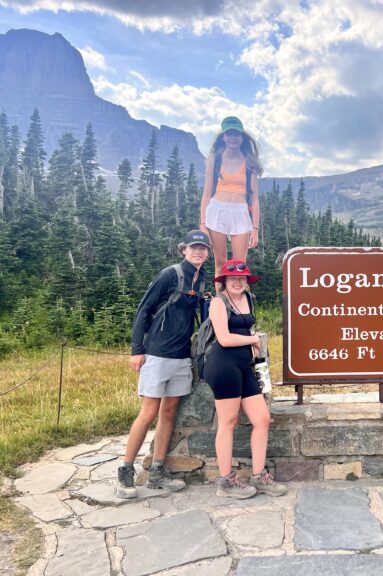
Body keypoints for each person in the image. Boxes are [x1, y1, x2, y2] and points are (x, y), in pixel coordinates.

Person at [116, 230, 210, 499]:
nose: (198, 252)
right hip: (156, 354)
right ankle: (125, 472)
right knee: (147, 413)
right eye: (193, 248)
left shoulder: (201, 279)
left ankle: (157, 472)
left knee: (168, 414)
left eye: (202, 249)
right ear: (184, 250)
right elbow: (143, 310)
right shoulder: (169, 275)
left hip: (182, 357)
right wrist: (137, 350)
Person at [204, 259, 287, 498]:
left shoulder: (248, 299)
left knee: (262, 418)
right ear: (224, 282)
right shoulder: (218, 303)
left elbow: (244, 328)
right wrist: (253, 341)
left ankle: (260, 476)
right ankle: (226, 481)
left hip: (244, 365)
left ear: (247, 281)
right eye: (232, 278)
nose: (238, 282)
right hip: (223, 366)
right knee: (228, 422)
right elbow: (224, 339)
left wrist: (251, 341)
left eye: (242, 278)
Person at [200, 116, 262, 286]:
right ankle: (221, 304)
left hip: (240, 212)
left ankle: (241, 307)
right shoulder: (215, 160)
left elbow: (255, 198)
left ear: (242, 137)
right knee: (220, 263)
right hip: (216, 210)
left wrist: (255, 229)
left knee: (239, 265)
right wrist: (203, 223)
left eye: (236, 134)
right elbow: (206, 193)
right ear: (223, 137)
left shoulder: (250, 163)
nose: (233, 138)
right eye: (229, 134)